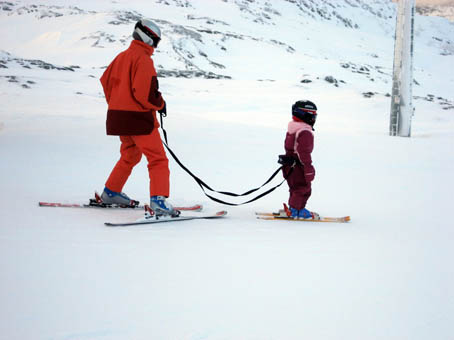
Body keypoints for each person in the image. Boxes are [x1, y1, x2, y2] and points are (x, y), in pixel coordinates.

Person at [99, 19, 178, 217]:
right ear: (148, 37)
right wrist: (160, 104)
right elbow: (145, 95)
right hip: (138, 120)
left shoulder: (121, 57)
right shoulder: (143, 60)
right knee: (158, 158)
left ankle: (111, 192)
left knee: (130, 155)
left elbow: (105, 82)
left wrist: (117, 104)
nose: (155, 46)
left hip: (119, 118)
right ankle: (158, 201)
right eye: (155, 41)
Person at [281, 100, 319, 219]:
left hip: (289, 165)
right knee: (303, 188)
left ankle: (293, 208)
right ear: (305, 115)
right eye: (312, 115)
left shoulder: (292, 128)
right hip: (298, 166)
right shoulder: (305, 132)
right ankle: (297, 210)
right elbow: (304, 153)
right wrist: (308, 168)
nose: (314, 119)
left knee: (295, 187)